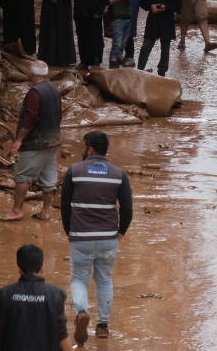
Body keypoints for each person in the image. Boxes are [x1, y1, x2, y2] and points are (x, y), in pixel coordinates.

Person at [60, 131, 134, 345]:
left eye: (84, 146)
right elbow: (127, 208)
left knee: (79, 279)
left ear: (90, 148)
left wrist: (69, 231)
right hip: (108, 237)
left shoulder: (74, 171)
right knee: (104, 279)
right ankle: (102, 325)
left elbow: (65, 206)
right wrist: (122, 231)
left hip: (80, 236)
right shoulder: (119, 174)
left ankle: (82, 311)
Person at [0, 245, 71, 351]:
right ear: (42, 266)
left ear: (19, 267)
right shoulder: (55, 295)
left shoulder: (5, 294)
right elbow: (61, 334)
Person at [1, 60, 60, 221]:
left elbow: (30, 119)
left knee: (22, 177)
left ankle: (17, 210)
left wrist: (19, 140)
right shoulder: (54, 90)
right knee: (49, 179)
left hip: (36, 142)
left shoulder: (35, 93)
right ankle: (46, 211)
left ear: (32, 74)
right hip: (53, 140)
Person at [137, 0, 181, 75]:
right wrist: (150, 6)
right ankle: (139, 70)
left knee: (165, 49)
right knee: (146, 47)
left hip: (167, 21)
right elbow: (142, 2)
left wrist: (166, 7)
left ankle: (162, 72)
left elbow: (179, 5)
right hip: (153, 21)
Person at [69, 0, 106, 68]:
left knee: (96, 38)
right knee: (82, 38)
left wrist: (99, 12)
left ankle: (96, 61)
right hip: (80, 15)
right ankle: (84, 61)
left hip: (94, 16)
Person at [105, 0, 138, 68]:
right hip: (116, 17)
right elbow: (107, 1)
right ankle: (113, 66)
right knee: (117, 44)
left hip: (127, 16)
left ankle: (117, 65)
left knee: (123, 44)